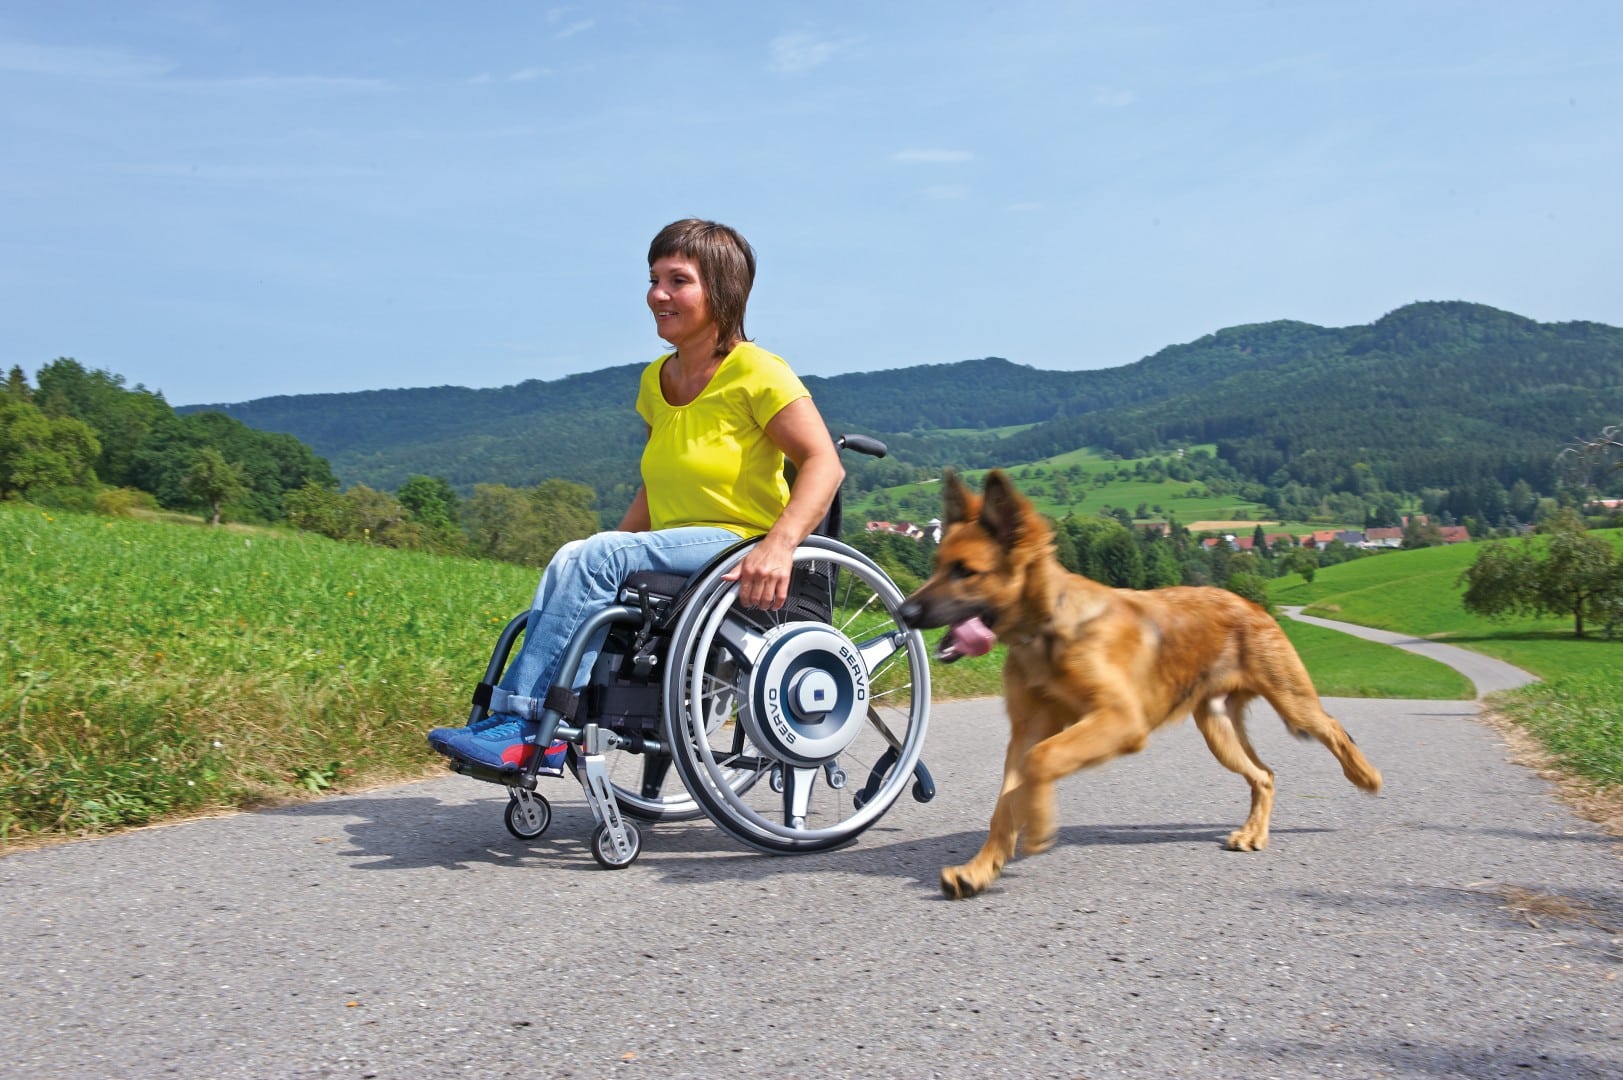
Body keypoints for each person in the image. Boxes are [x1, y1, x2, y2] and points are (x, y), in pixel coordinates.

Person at [428, 219, 843, 770]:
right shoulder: (655, 381)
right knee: (578, 556)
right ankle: (517, 721)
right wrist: (604, 552)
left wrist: (780, 545)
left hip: (738, 543)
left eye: (678, 280)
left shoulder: (758, 371)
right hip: (679, 545)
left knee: (594, 556)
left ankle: (532, 724)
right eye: (653, 279)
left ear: (721, 289)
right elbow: (654, 487)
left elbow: (824, 464)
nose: (657, 295)